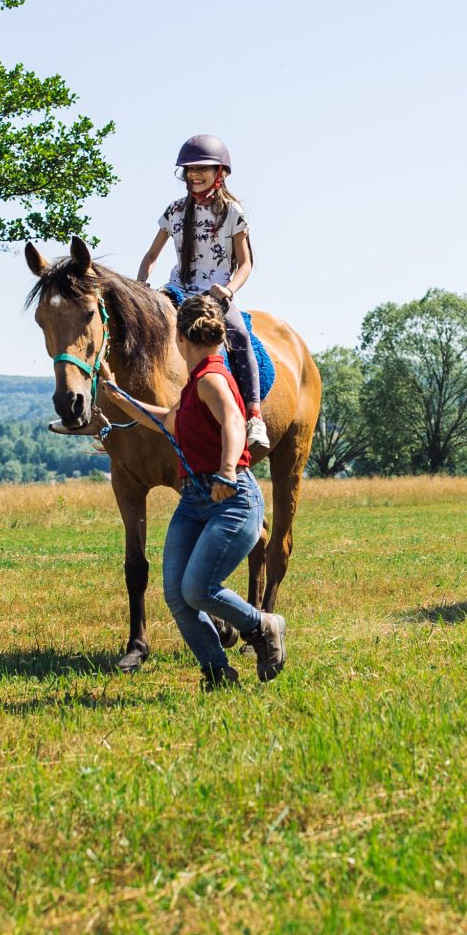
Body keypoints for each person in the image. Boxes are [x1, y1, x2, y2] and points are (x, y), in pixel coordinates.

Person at [99, 295, 287, 689]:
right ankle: (217, 672)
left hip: (231, 498)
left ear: (178, 339)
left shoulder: (211, 378)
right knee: (177, 595)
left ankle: (264, 625)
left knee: (198, 588)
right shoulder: (193, 382)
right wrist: (119, 397)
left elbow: (235, 423)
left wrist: (226, 471)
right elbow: (165, 419)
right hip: (195, 501)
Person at [137, 135, 269, 453]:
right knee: (137, 328)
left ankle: (253, 416)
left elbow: (247, 263)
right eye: (189, 168)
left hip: (215, 295)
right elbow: (151, 256)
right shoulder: (175, 210)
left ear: (219, 172)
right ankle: (112, 412)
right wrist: (142, 285)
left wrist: (229, 289)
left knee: (238, 336)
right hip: (176, 288)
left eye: (202, 168)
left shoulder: (233, 212)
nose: (194, 173)